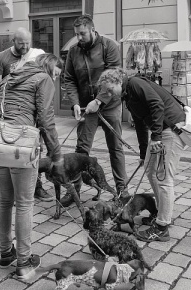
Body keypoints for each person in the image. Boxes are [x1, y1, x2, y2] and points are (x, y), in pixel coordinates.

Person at [0, 53, 64, 280]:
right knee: (24, 203)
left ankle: (5, 254)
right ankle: (24, 261)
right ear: (50, 67)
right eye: (57, 74)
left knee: (4, 200)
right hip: (20, 144)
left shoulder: (10, 77)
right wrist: (56, 156)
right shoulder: (43, 79)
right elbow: (46, 119)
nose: (56, 79)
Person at [97, 68, 186, 242]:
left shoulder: (135, 84)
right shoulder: (127, 96)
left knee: (163, 178)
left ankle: (162, 228)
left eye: (110, 89)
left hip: (171, 130)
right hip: (162, 131)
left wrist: (156, 137)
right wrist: (144, 151)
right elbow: (140, 123)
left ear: (118, 81)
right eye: (105, 91)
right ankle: (161, 213)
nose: (109, 94)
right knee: (150, 170)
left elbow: (157, 105)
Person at [62, 14, 129, 206]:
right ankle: (73, 191)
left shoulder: (109, 46)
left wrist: (99, 101)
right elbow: (69, 79)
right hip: (85, 107)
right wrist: (75, 102)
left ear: (92, 29)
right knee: (81, 150)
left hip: (110, 106)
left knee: (115, 148)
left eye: (82, 34)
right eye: (76, 34)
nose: (79, 38)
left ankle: (122, 189)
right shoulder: (73, 51)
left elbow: (115, 77)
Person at [0, 27, 52, 202]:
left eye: (27, 43)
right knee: (7, 149)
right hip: (8, 114)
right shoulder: (1, 58)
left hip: (30, 115)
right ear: (13, 42)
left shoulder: (35, 55)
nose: (25, 47)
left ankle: (35, 186)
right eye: (21, 43)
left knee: (34, 150)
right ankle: (11, 189)